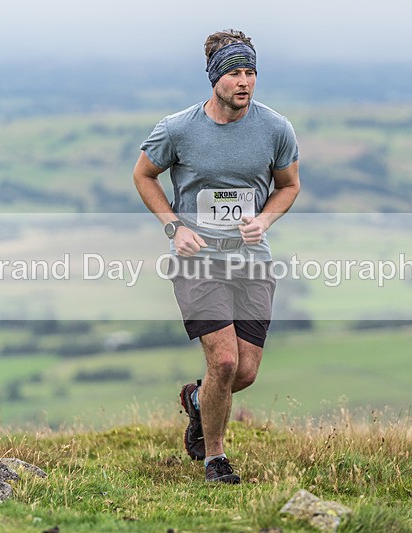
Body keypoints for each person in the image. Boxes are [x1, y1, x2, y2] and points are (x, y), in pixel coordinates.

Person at [133, 29, 300, 484]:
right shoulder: (178, 128)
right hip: (197, 259)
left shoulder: (275, 128)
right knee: (223, 362)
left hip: (252, 260)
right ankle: (216, 459)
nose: (244, 81)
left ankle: (196, 401)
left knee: (243, 372)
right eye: (234, 73)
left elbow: (288, 186)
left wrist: (263, 221)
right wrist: (174, 226)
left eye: (250, 72)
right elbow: (144, 176)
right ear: (214, 79)